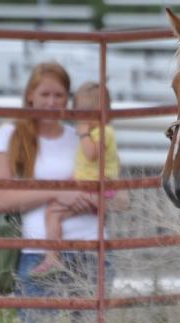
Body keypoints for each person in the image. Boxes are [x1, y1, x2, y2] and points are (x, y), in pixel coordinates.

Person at [0, 62, 127, 323]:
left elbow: (121, 197)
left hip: (91, 252)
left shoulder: (84, 135)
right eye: (45, 94)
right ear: (30, 96)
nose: (52, 102)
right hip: (39, 253)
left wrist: (87, 199)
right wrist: (57, 192)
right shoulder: (13, 135)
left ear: (69, 99)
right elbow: (1, 200)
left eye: (59, 95)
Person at [31, 81, 122, 277]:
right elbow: (87, 167)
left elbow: (91, 154)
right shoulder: (98, 132)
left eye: (85, 114)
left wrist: (83, 133)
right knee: (55, 213)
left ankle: (52, 258)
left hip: (98, 189)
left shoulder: (104, 132)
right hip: (91, 186)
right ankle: (54, 256)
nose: (80, 120)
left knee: (53, 213)